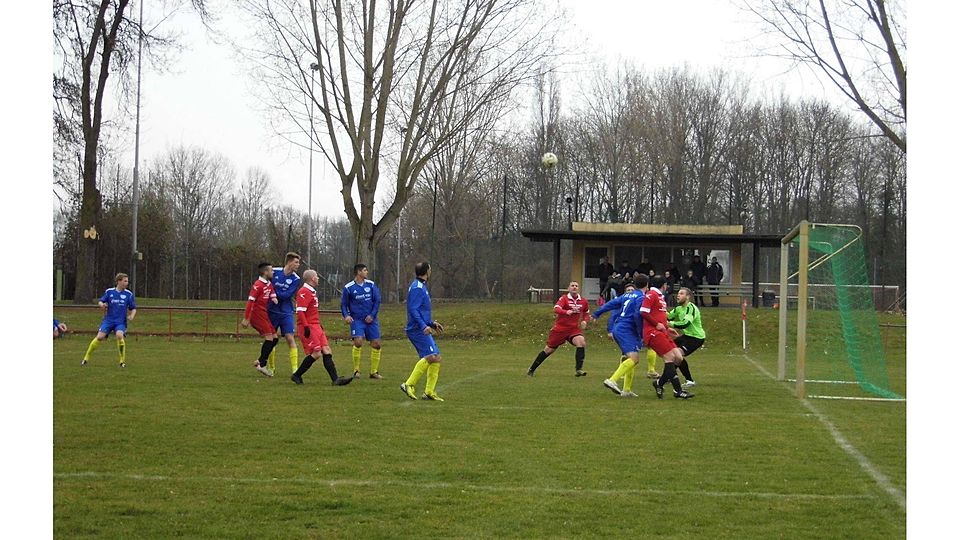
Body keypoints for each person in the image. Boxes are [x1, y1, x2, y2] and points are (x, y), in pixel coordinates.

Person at [289, 270, 354, 386]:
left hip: (316, 326)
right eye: (317, 276)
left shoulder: (312, 292)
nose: (318, 278)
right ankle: (297, 375)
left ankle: (336, 380)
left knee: (327, 350)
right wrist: (306, 327)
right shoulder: (303, 292)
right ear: (312, 278)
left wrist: (318, 324)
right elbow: (300, 312)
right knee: (317, 353)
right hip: (308, 326)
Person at [641, 275, 695, 399]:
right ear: (664, 285)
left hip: (662, 331)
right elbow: (643, 311)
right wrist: (657, 324)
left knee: (679, 358)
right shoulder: (652, 294)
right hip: (653, 332)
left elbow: (659, 315)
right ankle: (678, 391)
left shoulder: (660, 297)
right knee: (670, 357)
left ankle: (659, 383)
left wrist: (666, 326)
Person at [594, 275, 648, 397]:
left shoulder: (626, 295)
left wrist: (597, 313)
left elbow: (611, 303)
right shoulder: (640, 297)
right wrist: (641, 333)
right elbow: (637, 316)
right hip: (627, 330)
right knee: (634, 359)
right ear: (647, 285)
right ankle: (612, 380)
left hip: (619, 328)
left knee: (630, 358)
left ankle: (627, 390)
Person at [400, 262, 446, 401]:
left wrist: (431, 323)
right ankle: (408, 384)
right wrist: (423, 326)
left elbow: (420, 310)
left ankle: (429, 392)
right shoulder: (417, 287)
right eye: (430, 269)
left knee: (436, 357)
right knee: (431, 356)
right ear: (427, 271)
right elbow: (413, 310)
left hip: (421, 326)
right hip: (416, 329)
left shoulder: (421, 286)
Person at [527, 281, 591, 377]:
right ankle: (531, 370)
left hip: (573, 329)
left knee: (581, 342)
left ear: (578, 288)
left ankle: (579, 369)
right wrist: (566, 312)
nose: (574, 287)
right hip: (560, 329)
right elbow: (556, 309)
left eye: (576, 286)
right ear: (569, 288)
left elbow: (586, 313)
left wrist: (585, 321)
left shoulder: (583, 301)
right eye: (572, 286)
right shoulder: (564, 298)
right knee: (548, 350)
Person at [82, 273, 137, 367]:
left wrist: (132, 315)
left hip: (120, 321)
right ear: (119, 281)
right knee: (99, 337)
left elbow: (133, 308)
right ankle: (86, 358)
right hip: (109, 320)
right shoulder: (109, 292)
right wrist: (101, 305)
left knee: (119, 335)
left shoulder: (129, 294)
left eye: (127, 281)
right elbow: (101, 301)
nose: (127, 283)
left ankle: (122, 361)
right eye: (125, 281)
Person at [341, 263, 383, 379]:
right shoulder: (349, 287)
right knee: (358, 342)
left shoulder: (371, 285)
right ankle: (356, 371)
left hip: (371, 319)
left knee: (377, 344)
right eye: (365, 270)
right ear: (359, 272)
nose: (367, 272)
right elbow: (343, 305)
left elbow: (377, 301)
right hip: (357, 320)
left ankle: (374, 372)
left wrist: (372, 315)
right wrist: (346, 316)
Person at [267, 252, 302, 374]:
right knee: (271, 338)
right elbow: (265, 284)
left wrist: (273, 292)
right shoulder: (274, 271)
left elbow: (287, 295)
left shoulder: (296, 279)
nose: (298, 265)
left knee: (289, 337)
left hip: (286, 311)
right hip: (272, 310)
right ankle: (271, 368)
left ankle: (295, 370)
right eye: (296, 262)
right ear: (289, 262)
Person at [242, 262, 279, 377]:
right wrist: (246, 318)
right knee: (269, 338)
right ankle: (262, 365)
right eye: (271, 270)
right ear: (265, 272)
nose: (273, 272)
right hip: (256, 314)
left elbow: (271, 290)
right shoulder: (258, 285)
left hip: (264, 313)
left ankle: (260, 361)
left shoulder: (268, 283)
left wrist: (274, 297)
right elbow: (250, 302)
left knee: (275, 338)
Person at [666, 287, 706, 388]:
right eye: (678, 293)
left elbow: (685, 323)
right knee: (671, 353)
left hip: (696, 338)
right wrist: (659, 309)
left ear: (688, 296)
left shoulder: (691, 308)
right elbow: (668, 316)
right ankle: (668, 376)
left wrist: (669, 324)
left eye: (681, 293)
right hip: (687, 336)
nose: (678, 295)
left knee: (678, 354)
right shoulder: (679, 308)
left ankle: (689, 380)